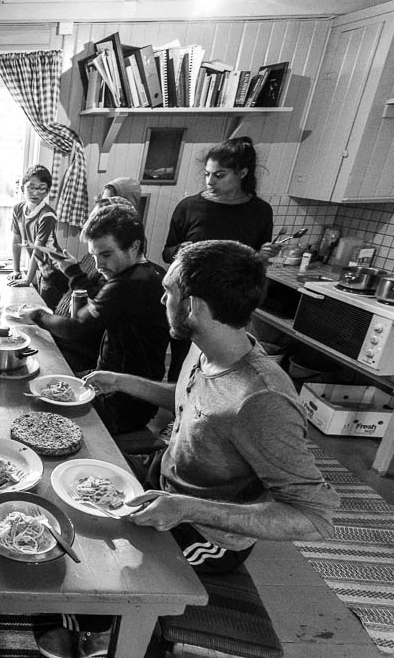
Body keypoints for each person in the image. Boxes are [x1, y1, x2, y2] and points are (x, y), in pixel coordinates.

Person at [36, 240, 339, 658]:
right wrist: (122, 380)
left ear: (192, 305)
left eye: (169, 292)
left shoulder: (262, 401)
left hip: (203, 533)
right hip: (162, 480)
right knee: (56, 505)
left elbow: (313, 517)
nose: (162, 299)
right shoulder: (210, 346)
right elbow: (191, 401)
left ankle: (103, 634)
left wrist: (186, 508)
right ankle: (78, 617)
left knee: (93, 568)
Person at [25, 200, 168, 436]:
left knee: (35, 410)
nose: (99, 265)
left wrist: (38, 315)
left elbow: (78, 328)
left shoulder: (129, 283)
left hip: (121, 404)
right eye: (94, 255)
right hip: (118, 388)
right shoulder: (149, 273)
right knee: (41, 380)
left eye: (106, 254)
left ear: (134, 247)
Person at [162, 137, 276, 382]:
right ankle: (178, 409)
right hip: (190, 300)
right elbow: (167, 252)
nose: (210, 181)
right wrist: (179, 248)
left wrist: (263, 258)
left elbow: (253, 269)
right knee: (182, 364)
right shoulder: (190, 206)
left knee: (222, 367)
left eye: (219, 175)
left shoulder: (260, 212)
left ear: (242, 173)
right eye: (207, 174)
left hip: (230, 304)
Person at [7, 164, 69, 310]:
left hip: (55, 269)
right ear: (22, 188)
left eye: (41, 188)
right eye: (31, 187)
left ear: (47, 192)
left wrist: (28, 279)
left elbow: (38, 249)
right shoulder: (18, 209)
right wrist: (16, 270)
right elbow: (16, 240)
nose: (35, 193)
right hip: (41, 268)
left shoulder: (47, 215)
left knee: (47, 310)